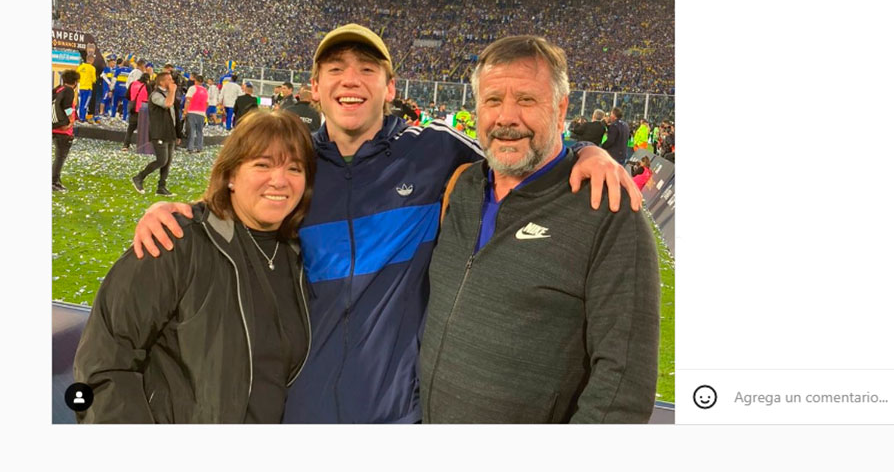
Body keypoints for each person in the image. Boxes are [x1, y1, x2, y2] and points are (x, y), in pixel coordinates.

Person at [132, 23, 639, 424]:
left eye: (367, 69)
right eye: (334, 68)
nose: (350, 80)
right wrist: (176, 212)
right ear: (315, 87)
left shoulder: (438, 155)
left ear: (390, 87)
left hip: (400, 421)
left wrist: (585, 153)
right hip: (296, 414)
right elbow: (231, 203)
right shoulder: (291, 167)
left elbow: (513, 150)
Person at [421, 35, 659, 423]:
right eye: (493, 100)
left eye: (527, 100)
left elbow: (622, 389)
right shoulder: (461, 187)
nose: (506, 117)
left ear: (561, 109)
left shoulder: (608, 211)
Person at [73, 111, 315, 423]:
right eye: (263, 164)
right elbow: (103, 363)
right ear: (231, 174)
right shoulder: (174, 240)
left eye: (294, 168)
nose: (279, 180)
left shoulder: (301, 258)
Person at [132, 70, 180, 196]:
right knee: (162, 160)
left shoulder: (168, 93)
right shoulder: (155, 95)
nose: (172, 82)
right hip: (159, 132)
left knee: (168, 161)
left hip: (169, 132)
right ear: (163, 82)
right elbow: (168, 104)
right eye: (169, 80)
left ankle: (161, 187)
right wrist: (173, 91)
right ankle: (139, 177)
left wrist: (178, 133)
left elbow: (174, 114)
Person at [52, 69, 80, 192]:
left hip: (54, 126)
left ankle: (55, 179)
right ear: (75, 82)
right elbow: (67, 106)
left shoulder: (58, 89)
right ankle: (54, 181)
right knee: (60, 156)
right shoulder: (68, 90)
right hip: (63, 129)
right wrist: (70, 120)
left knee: (59, 155)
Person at [122, 71, 150, 151]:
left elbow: (127, 95)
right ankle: (141, 147)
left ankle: (125, 145)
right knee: (143, 129)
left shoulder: (133, 84)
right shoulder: (147, 86)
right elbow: (150, 98)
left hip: (133, 109)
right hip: (143, 110)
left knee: (130, 128)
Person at [183, 74, 209, 153]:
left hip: (192, 111)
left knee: (191, 130)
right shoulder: (205, 90)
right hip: (201, 113)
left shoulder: (192, 88)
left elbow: (188, 100)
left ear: (195, 81)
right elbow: (207, 103)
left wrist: (185, 111)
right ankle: (199, 147)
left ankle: (190, 147)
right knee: (199, 131)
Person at [76, 50, 96, 122]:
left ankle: (80, 117)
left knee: (81, 102)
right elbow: (94, 79)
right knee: (85, 104)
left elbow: (77, 76)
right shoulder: (92, 68)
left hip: (81, 87)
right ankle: (82, 118)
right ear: (92, 60)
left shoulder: (80, 67)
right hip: (88, 88)